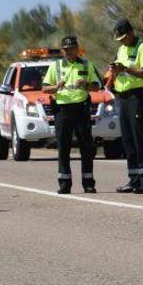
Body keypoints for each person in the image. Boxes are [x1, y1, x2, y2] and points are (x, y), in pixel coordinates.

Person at [42, 36, 101, 194]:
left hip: (81, 109)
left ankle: (88, 182)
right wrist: (56, 86)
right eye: (66, 50)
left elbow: (96, 87)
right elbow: (45, 89)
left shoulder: (87, 65)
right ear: (63, 50)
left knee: (86, 147)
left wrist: (86, 85)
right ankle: (64, 183)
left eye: (71, 49)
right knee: (63, 148)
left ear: (77, 48)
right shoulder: (56, 66)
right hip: (62, 110)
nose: (68, 52)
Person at [106, 19, 143, 194]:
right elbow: (120, 67)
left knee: (139, 138)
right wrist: (115, 70)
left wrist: (126, 69)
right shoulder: (122, 49)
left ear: (131, 33)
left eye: (123, 38)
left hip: (138, 97)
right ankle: (134, 179)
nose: (121, 41)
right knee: (127, 140)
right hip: (123, 97)